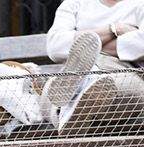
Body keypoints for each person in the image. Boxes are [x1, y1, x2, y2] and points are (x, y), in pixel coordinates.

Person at [41, 0, 144, 135]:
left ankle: (69, 108)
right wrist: (114, 28)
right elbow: (55, 46)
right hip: (76, 67)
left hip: (123, 70)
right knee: (50, 90)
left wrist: (89, 43)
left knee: (107, 85)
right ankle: (74, 104)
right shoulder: (74, 4)